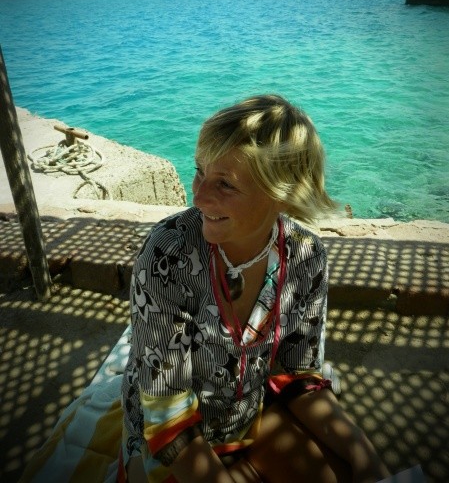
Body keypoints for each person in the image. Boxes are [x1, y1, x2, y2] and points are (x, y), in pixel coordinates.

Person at [118, 94, 390, 483]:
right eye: (199, 171)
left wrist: (366, 457)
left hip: (249, 415)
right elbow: (166, 416)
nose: (198, 196)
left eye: (225, 184)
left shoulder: (305, 256)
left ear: (284, 194)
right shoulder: (169, 254)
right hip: (170, 442)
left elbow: (297, 374)